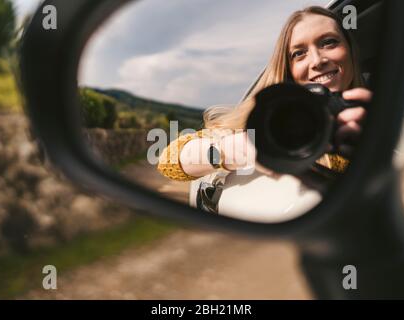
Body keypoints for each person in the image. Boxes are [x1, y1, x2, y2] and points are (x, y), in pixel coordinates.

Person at [156, 6, 373, 220]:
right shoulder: (268, 122)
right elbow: (170, 160)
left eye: (329, 42)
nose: (317, 60)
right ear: (288, 70)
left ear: (350, 50)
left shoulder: (379, 116)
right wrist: (234, 150)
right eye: (299, 53)